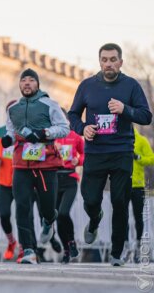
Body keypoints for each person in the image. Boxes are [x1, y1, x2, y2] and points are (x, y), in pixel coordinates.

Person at [68, 43, 152, 266]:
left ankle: (117, 252)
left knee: (120, 201)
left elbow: (146, 116)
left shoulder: (131, 86)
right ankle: (94, 220)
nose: (108, 64)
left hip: (121, 151)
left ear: (120, 62)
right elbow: (73, 114)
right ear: (99, 62)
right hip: (95, 152)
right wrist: (82, 128)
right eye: (104, 59)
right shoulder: (87, 86)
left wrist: (126, 109)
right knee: (90, 199)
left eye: (113, 59)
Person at [2, 68, 69, 264]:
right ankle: (28, 250)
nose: (27, 83)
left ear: (37, 84)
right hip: (21, 164)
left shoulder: (49, 104)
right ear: (20, 85)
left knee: (48, 207)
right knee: (22, 207)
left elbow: (64, 128)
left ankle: (49, 221)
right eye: (24, 80)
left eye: (31, 80)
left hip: (45, 163)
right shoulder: (12, 108)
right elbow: (10, 130)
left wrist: (43, 133)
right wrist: (8, 139)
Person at [0, 100, 22, 261]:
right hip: (4, 181)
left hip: (21, 180)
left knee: (22, 216)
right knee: (4, 215)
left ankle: (25, 248)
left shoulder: (24, 131)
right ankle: (11, 242)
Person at [54, 110, 85, 264]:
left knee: (63, 212)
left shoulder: (75, 136)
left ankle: (71, 242)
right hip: (54, 178)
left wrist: (78, 161)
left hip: (70, 178)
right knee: (58, 217)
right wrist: (52, 150)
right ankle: (66, 249)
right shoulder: (52, 137)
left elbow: (85, 154)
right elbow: (40, 154)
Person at [130, 128, 154, 263]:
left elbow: (152, 158)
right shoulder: (118, 140)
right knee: (120, 216)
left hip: (138, 185)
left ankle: (138, 246)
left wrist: (139, 157)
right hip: (122, 184)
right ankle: (124, 246)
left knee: (138, 217)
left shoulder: (141, 140)